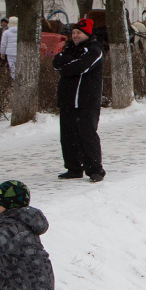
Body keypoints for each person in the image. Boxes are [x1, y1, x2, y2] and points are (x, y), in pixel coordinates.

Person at [52, 17, 105, 181]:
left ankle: (95, 169)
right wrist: (67, 63)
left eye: (79, 33)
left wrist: (66, 65)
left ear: (87, 34)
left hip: (86, 101)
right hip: (67, 100)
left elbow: (81, 67)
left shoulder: (94, 50)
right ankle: (73, 168)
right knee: (68, 136)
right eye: (73, 32)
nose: (75, 36)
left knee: (87, 135)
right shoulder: (69, 49)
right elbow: (56, 62)